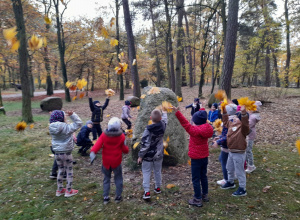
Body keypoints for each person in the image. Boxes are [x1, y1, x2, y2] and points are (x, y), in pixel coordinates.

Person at [173, 107, 213, 207]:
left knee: (196, 178)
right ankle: (205, 195)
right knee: (204, 176)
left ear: (196, 122)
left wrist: (177, 112)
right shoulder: (208, 128)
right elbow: (202, 119)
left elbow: (185, 123)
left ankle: (197, 199)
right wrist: (202, 111)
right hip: (204, 157)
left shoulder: (194, 130)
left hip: (196, 158)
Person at [90, 117, 129, 204]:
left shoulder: (104, 135)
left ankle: (106, 197)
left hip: (106, 162)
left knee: (106, 179)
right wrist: (126, 149)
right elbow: (125, 150)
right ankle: (118, 197)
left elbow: (97, 145)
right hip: (116, 162)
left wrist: (93, 152)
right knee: (118, 178)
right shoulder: (121, 136)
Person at [49, 110, 82, 197]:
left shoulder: (51, 127)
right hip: (66, 152)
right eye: (64, 116)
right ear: (61, 118)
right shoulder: (67, 127)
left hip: (57, 153)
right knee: (69, 171)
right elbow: (79, 123)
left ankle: (59, 190)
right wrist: (73, 115)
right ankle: (68, 191)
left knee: (60, 170)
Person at [137, 108, 168, 200]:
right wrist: (165, 112)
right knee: (157, 171)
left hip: (148, 156)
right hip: (159, 154)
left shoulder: (148, 130)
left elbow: (145, 145)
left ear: (150, 118)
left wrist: (140, 156)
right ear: (160, 118)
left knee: (146, 172)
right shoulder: (163, 125)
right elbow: (165, 119)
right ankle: (157, 188)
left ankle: (147, 192)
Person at [221, 104, 249, 197]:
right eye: (235, 117)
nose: (235, 118)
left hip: (239, 153)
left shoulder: (243, 128)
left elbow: (245, 123)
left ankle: (242, 188)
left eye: (237, 117)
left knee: (239, 171)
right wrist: (224, 110)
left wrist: (244, 113)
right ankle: (230, 182)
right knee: (229, 168)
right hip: (231, 151)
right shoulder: (231, 124)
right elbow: (225, 121)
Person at [245, 101, 262, 173]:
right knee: (246, 149)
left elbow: (248, 126)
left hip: (249, 135)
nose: (248, 109)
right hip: (249, 134)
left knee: (248, 150)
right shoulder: (252, 115)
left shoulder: (252, 117)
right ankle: (247, 163)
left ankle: (251, 165)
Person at [212, 121, 229, 186]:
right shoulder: (228, 120)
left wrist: (218, 142)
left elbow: (227, 136)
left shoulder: (229, 122)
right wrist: (219, 137)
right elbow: (225, 134)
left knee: (224, 163)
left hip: (226, 148)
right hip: (226, 147)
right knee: (221, 159)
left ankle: (226, 179)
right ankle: (231, 175)